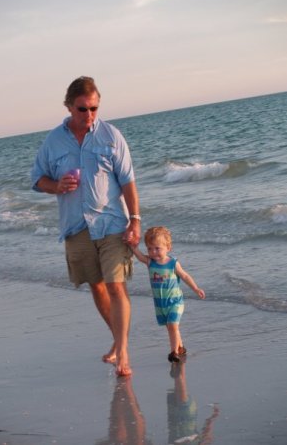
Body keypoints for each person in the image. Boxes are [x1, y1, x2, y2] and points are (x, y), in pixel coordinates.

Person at [31, 76, 141, 377]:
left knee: (116, 285)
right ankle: (118, 341)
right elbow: (36, 179)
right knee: (96, 285)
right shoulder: (53, 141)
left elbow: (128, 180)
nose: (89, 115)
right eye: (82, 109)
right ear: (69, 106)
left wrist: (135, 220)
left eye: (94, 108)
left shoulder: (111, 136)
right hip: (76, 226)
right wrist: (56, 185)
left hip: (112, 224)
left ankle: (124, 352)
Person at [131, 226, 205, 362]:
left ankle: (174, 352)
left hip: (175, 301)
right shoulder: (150, 262)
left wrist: (196, 288)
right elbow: (139, 255)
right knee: (171, 328)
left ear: (168, 247)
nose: (153, 252)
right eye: (150, 249)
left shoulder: (172, 263)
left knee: (172, 325)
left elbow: (184, 276)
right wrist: (133, 246)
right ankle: (181, 347)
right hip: (160, 304)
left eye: (157, 248)